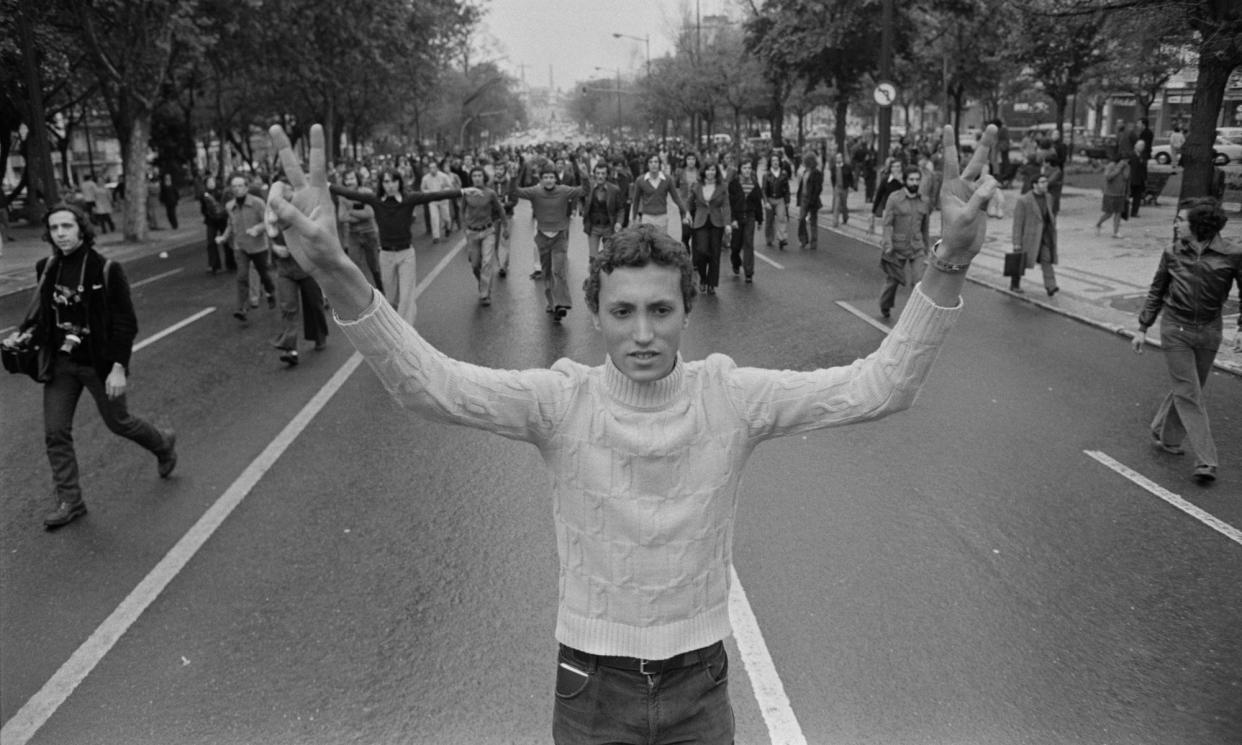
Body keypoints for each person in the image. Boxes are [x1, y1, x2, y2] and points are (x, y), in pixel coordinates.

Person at [263, 120, 997, 745]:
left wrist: (951, 262)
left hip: (700, 687)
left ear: (686, 309)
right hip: (591, 690)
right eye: (622, 313)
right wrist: (334, 269)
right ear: (596, 313)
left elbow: (882, 384)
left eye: (660, 310)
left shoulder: (731, 395)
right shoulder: (562, 401)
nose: (643, 334)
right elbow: (429, 384)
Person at [3, 203, 176, 529]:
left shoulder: (106, 269)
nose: (61, 234)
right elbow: (43, 317)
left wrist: (118, 368)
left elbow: (125, 323)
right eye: (54, 229)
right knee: (55, 433)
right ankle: (71, 501)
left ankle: (163, 444)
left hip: (98, 364)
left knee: (119, 422)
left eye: (67, 227)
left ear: (81, 228)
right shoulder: (47, 267)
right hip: (61, 364)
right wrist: (21, 335)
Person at [1130, 197, 1242, 484]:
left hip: (1210, 330)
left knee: (1189, 387)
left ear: (1198, 224)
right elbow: (1157, 290)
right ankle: (1206, 460)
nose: (1176, 224)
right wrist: (1143, 327)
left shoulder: (1232, 254)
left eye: (1180, 219)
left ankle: (1162, 432)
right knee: (1189, 391)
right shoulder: (1172, 253)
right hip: (1175, 328)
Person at [330, 168, 466, 326]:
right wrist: (326, 185)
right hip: (386, 255)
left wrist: (463, 191)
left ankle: (405, 332)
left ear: (399, 182)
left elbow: (434, 195)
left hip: (406, 254)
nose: (390, 185)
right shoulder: (375, 200)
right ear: (381, 184)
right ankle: (395, 323)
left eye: (394, 181)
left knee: (407, 297)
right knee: (390, 297)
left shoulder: (409, 199)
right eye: (386, 181)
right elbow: (350, 193)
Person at [514, 164, 591, 321]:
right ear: (541, 180)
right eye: (545, 177)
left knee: (559, 270)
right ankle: (552, 302)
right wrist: (518, 172)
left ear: (556, 179)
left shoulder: (563, 190)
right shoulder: (535, 192)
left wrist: (582, 173)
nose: (549, 180)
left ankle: (561, 304)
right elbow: (515, 191)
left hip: (559, 237)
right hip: (542, 236)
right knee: (547, 272)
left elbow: (584, 190)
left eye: (551, 177)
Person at [268, 184, 328, 366]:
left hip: (306, 266)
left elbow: (315, 236)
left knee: (314, 303)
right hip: (285, 269)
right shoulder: (272, 215)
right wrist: (275, 248)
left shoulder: (303, 214)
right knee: (288, 307)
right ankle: (290, 349)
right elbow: (270, 235)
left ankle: (319, 336)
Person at [217, 173, 276, 322]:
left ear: (246, 187)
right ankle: (241, 308)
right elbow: (230, 224)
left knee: (264, 275)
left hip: (258, 246)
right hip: (240, 246)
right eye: (234, 186)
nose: (237, 189)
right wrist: (224, 237)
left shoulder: (258, 203)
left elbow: (267, 222)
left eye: (240, 186)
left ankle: (270, 292)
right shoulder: (230, 206)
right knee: (242, 277)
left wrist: (257, 228)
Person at [878, 166, 931, 321]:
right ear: (905, 181)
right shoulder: (895, 199)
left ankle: (916, 314)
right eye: (911, 179)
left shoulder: (924, 201)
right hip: (897, 247)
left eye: (917, 180)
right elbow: (887, 224)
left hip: (917, 247)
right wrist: (888, 244)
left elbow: (925, 227)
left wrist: (926, 247)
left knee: (918, 282)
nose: (914, 183)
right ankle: (885, 305)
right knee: (892, 281)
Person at [461, 167, 507, 307]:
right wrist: (465, 230)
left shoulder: (490, 193)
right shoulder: (466, 193)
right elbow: (461, 212)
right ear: (471, 178)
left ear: (484, 177)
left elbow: (500, 209)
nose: (477, 178)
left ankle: (485, 294)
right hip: (473, 233)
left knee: (487, 262)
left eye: (479, 175)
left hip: (488, 231)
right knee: (475, 265)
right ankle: (483, 285)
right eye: (474, 175)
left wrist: (506, 227)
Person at [687, 163, 734, 295]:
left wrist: (727, 224)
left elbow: (726, 205)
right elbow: (689, 202)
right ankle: (703, 278)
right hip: (701, 221)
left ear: (716, 172)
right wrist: (687, 214)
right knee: (701, 251)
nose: (710, 172)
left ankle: (712, 284)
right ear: (704, 172)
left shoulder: (722, 187)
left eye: (713, 170)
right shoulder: (697, 186)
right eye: (708, 170)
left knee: (715, 253)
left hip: (716, 222)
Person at [1010, 173, 1059, 296]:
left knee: (1046, 260)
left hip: (1044, 237)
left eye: (1046, 182)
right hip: (1029, 237)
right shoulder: (1024, 200)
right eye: (1042, 182)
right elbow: (1018, 223)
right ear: (1035, 185)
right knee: (1020, 261)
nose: (1045, 184)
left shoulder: (1049, 197)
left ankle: (1050, 286)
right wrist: (1016, 242)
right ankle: (1014, 284)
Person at [335, 169, 383, 293]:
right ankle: (364, 293)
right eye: (347, 179)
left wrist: (350, 212)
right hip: (353, 235)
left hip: (369, 233)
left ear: (357, 179)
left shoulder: (366, 193)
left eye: (352, 178)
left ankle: (382, 290)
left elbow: (369, 213)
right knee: (355, 265)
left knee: (374, 266)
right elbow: (341, 217)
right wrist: (358, 214)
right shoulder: (342, 196)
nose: (349, 181)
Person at [631, 153, 690, 236]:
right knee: (647, 245)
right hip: (647, 217)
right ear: (647, 165)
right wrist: (634, 218)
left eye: (656, 162)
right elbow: (636, 200)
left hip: (662, 217)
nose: (653, 164)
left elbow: (676, 198)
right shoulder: (640, 180)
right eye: (650, 162)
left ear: (659, 164)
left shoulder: (667, 179)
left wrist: (685, 212)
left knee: (661, 245)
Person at [727, 159, 764, 283]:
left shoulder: (755, 183)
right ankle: (736, 263)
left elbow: (758, 203)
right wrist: (732, 219)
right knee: (735, 245)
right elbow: (730, 204)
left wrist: (760, 220)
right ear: (740, 170)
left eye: (749, 168)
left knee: (748, 243)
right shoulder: (734, 184)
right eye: (744, 168)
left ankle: (749, 272)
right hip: (737, 217)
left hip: (750, 216)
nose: (747, 170)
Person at [581, 162, 624, 262]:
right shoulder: (590, 187)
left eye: (603, 173)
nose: (600, 176)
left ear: (607, 175)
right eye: (598, 173)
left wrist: (619, 222)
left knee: (607, 257)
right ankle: (594, 277)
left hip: (608, 227)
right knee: (593, 258)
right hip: (593, 227)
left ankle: (606, 277)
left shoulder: (614, 189)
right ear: (594, 174)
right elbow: (582, 192)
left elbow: (620, 209)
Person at [199, 175, 233, 274]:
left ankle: (231, 263)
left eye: (212, 181)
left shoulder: (221, 192)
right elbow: (203, 209)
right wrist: (209, 215)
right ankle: (214, 265)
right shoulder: (204, 195)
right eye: (209, 182)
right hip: (211, 221)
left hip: (222, 219)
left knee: (226, 240)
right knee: (211, 242)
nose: (211, 183)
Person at [1095, 152, 1131, 238]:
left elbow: (1126, 178)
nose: (1126, 162)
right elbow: (1108, 177)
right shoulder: (1111, 165)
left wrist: (1125, 168)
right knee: (1109, 213)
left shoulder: (1126, 167)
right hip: (1110, 193)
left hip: (1121, 193)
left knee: (1118, 213)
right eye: (1125, 160)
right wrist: (1118, 169)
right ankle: (1099, 223)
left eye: (1127, 160)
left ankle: (1116, 232)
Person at [419, 160, 455, 243]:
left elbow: (450, 187)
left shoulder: (444, 176)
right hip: (432, 200)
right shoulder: (425, 178)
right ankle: (436, 236)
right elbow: (423, 189)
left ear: (437, 168)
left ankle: (448, 228)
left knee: (446, 217)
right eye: (430, 168)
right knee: (434, 217)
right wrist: (429, 193)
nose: (432, 169)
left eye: (434, 167)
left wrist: (444, 189)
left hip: (443, 199)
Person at [795, 153, 824, 250]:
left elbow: (818, 188)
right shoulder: (804, 172)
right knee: (802, 219)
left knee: (813, 221)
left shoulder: (817, 173)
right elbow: (801, 185)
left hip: (812, 200)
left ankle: (814, 242)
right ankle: (803, 239)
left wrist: (813, 199)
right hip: (803, 198)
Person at [762, 156, 791, 249]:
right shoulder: (766, 175)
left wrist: (787, 201)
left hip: (780, 199)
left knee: (781, 218)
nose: (775, 162)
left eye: (777, 160)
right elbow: (763, 190)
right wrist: (766, 202)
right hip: (770, 199)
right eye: (773, 160)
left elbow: (787, 189)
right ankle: (769, 238)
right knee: (769, 221)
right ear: (770, 162)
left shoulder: (784, 174)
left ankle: (782, 239)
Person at [829, 152, 855, 227]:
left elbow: (850, 177)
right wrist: (834, 186)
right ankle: (835, 222)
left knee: (844, 204)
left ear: (842, 158)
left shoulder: (847, 167)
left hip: (845, 188)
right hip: (837, 188)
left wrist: (851, 186)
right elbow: (832, 178)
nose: (838, 159)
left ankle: (845, 217)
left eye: (840, 157)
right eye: (837, 158)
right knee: (836, 205)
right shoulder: (833, 168)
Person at [1128, 140, 1148, 218]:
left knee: (1137, 197)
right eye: (1140, 145)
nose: (1142, 147)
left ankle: (1134, 212)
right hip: (1131, 179)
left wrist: (1145, 179)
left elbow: (1144, 168)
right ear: (1135, 146)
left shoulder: (1143, 156)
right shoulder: (1130, 155)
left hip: (1140, 180)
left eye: (1143, 146)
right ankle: (1124, 211)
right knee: (1127, 196)